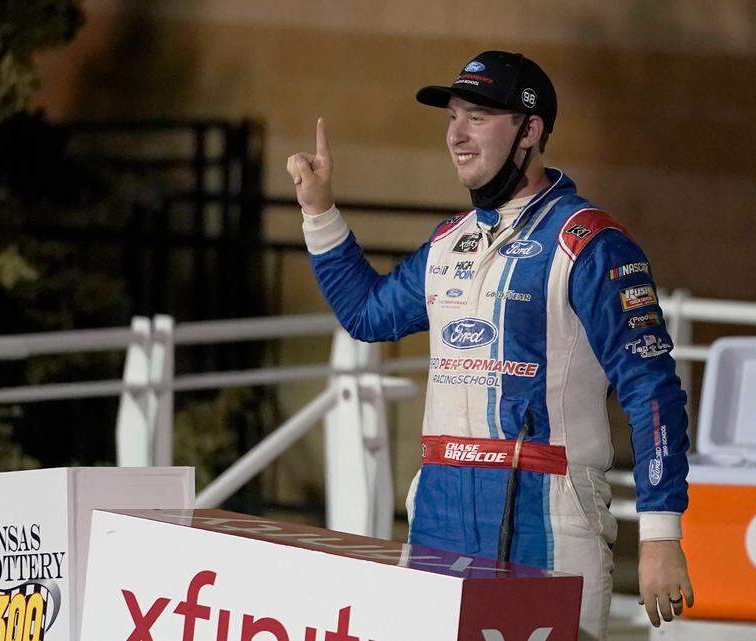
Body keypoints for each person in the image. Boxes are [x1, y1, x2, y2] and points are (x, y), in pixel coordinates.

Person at [287, 50, 692, 639]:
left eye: (477, 117)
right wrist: (320, 211)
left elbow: (651, 388)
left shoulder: (590, 242)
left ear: (529, 131)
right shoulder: (449, 240)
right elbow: (368, 315)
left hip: (546, 508)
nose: (456, 135)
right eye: (453, 116)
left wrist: (660, 535)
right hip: (440, 503)